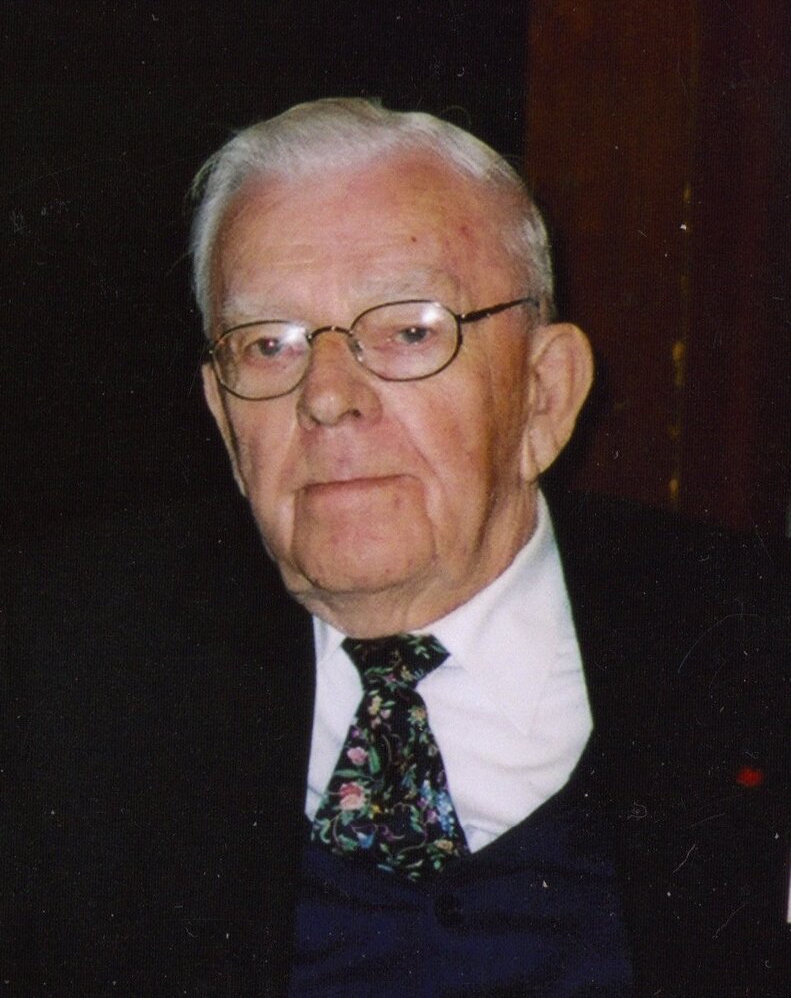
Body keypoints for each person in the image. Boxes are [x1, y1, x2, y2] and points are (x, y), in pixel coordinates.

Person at [1, 99, 788, 996]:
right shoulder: (56, 669)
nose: (326, 397)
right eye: (269, 345)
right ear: (224, 419)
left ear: (543, 394)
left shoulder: (751, 643)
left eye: (410, 331)